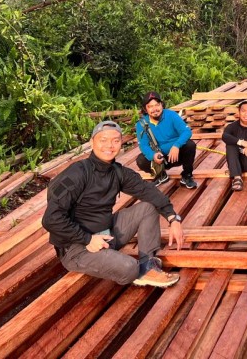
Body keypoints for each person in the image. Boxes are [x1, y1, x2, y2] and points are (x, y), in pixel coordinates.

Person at [42, 120, 185, 287]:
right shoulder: (77, 173)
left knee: (148, 207)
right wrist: (87, 239)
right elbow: (51, 219)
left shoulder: (118, 172)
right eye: (103, 140)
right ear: (92, 142)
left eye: (116, 140)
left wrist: (173, 217)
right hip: (78, 248)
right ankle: (133, 269)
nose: (109, 145)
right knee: (129, 267)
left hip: (107, 235)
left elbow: (148, 191)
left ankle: (148, 266)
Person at [136, 91, 197, 188]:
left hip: (176, 155)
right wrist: (153, 155)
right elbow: (143, 145)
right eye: (150, 106)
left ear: (162, 105)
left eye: (157, 105)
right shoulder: (141, 124)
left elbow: (187, 132)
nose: (155, 109)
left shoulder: (171, 115)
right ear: (145, 109)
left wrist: (176, 145)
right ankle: (160, 175)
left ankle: (187, 176)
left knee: (190, 145)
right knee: (141, 160)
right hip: (160, 158)